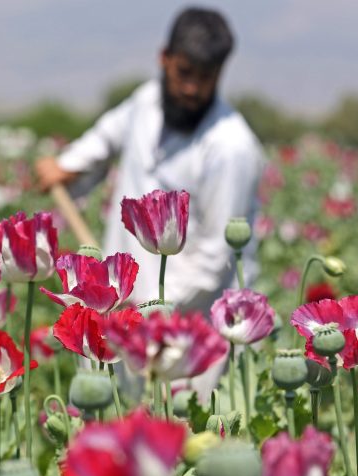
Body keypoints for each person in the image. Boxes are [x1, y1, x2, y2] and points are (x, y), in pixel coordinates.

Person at [36, 6, 264, 315]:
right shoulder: (148, 101)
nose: (191, 88)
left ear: (220, 74)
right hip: (127, 306)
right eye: (184, 72)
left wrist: (156, 310)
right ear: (164, 58)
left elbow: (213, 260)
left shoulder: (230, 147)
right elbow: (106, 136)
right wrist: (68, 165)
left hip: (192, 323)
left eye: (205, 78)